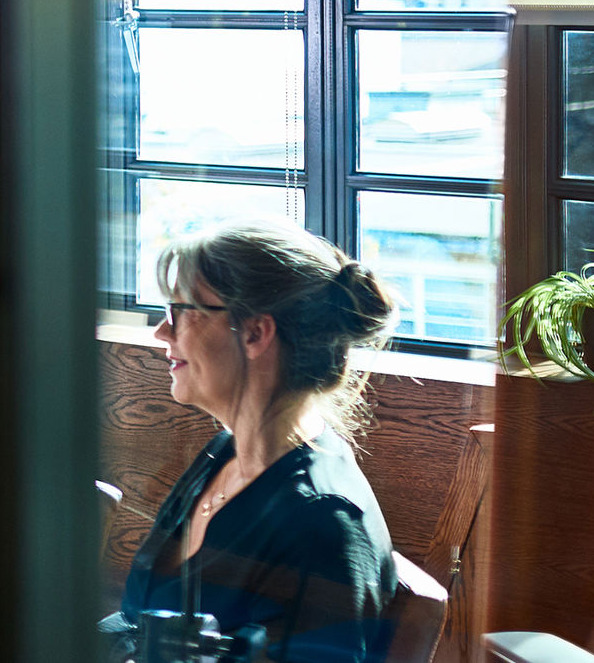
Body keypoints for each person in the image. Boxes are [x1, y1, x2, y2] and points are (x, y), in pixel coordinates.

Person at [109, 222, 404, 663]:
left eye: (179, 313)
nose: (161, 333)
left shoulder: (323, 523)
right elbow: (138, 623)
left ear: (254, 334)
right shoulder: (224, 453)